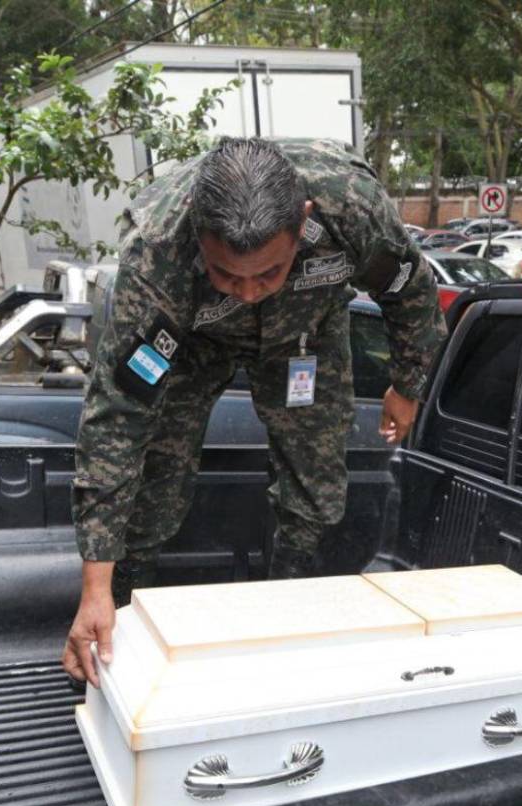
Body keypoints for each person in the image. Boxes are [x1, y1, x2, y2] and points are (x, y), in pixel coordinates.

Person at [62, 137, 446, 687]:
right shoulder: (157, 255)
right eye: (227, 275)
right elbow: (118, 412)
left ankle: (284, 618)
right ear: (198, 236)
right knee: (153, 490)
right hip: (192, 342)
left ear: (304, 222)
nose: (247, 293)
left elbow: (410, 294)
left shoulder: (352, 209)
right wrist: (93, 588)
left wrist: (406, 386)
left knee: (315, 492)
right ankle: (116, 631)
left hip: (304, 337)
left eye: (268, 273)